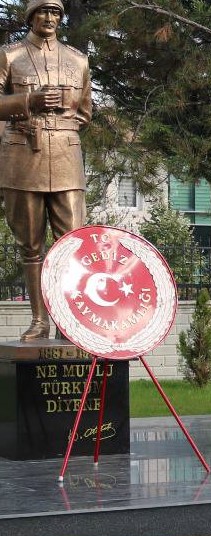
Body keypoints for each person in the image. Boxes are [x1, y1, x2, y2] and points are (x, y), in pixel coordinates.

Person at [0, 0, 91, 341]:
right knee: (31, 245)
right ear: (30, 16)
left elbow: (84, 112)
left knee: (72, 244)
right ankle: (40, 320)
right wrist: (29, 103)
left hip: (66, 159)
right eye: (43, 11)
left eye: (55, 13)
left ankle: (69, 321)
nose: (49, 18)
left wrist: (60, 127)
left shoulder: (77, 60)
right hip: (22, 157)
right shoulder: (10, 55)